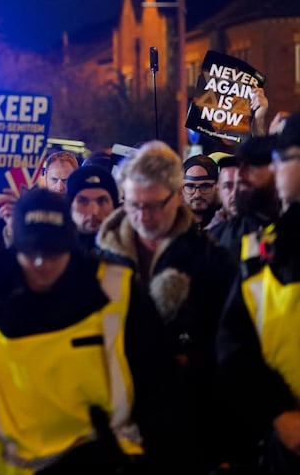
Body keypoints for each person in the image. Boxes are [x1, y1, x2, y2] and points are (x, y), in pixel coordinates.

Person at [0, 188, 182, 474]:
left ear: (69, 247)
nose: (40, 263)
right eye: (31, 252)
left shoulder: (117, 291)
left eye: (52, 252)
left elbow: (160, 390)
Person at [96, 140, 236, 470]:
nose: (142, 216)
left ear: (177, 196)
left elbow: (230, 349)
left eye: (154, 205)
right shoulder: (99, 262)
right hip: (114, 425)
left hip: (188, 425)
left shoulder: (211, 260)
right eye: (133, 204)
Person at [217, 112, 300, 472]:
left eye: (283, 159)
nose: (276, 169)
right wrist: (280, 413)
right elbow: (235, 344)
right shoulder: (263, 249)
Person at [208, 137, 279, 261]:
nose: (240, 175)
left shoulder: (290, 233)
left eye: (252, 166)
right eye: (240, 166)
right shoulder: (214, 238)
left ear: (276, 169)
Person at [66, 164, 119, 252]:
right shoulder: (53, 250)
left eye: (102, 201)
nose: (94, 212)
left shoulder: (134, 249)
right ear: (69, 206)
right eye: (83, 201)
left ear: (114, 206)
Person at [182, 155, 220, 226]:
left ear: (218, 187)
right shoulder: (169, 225)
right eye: (190, 186)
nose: (197, 194)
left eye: (205, 186)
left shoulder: (228, 224)